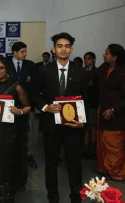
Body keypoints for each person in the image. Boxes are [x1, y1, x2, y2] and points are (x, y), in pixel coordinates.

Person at [31, 32, 88, 203]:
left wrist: (82, 123)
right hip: (51, 125)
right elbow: (33, 95)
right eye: (59, 46)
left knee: (74, 164)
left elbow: (86, 100)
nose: (63, 49)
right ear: (53, 49)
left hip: (73, 125)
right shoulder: (43, 70)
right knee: (51, 165)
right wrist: (45, 107)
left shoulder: (81, 72)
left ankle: (76, 198)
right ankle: (53, 198)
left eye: (67, 46)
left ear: (71, 49)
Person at [0, 56, 31, 202]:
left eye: (1, 68)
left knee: (6, 162)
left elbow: (28, 107)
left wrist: (19, 111)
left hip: (9, 132)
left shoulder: (16, 86)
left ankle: (7, 193)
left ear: (7, 69)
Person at [91, 44, 125, 180]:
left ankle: (117, 173)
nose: (104, 55)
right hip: (102, 114)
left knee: (114, 145)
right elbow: (88, 75)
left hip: (117, 117)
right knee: (102, 143)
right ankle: (105, 169)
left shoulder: (123, 71)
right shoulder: (104, 68)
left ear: (115, 57)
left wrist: (113, 109)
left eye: (107, 53)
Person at [7, 41, 37, 169]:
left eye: (25, 52)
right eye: (22, 52)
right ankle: (11, 157)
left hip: (27, 105)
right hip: (10, 106)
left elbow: (35, 85)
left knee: (29, 132)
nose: (25, 54)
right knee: (10, 132)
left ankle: (29, 156)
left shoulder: (30, 65)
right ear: (15, 53)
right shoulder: (5, 64)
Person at [81, 52, 99, 159]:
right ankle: (85, 148)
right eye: (85, 59)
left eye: (89, 58)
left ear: (94, 60)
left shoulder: (97, 72)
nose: (86, 61)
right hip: (82, 103)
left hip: (92, 103)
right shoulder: (82, 72)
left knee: (92, 127)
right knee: (85, 127)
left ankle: (92, 150)